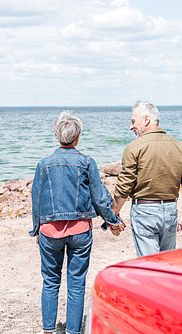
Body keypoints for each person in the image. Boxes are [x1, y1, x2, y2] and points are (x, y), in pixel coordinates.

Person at [30, 111, 124, 334]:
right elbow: (99, 197)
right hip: (80, 231)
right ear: (77, 137)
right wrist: (112, 220)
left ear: (57, 136)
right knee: (76, 282)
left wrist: (36, 230)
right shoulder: (86, 162)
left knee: (51, 281)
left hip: (50, 231)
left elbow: (37, 199)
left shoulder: (43, 164)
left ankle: (48, 330)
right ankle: (73, 331)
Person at [112, 101, 182, 257]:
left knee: (149, 266)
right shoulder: (180, 146)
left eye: (133, 121)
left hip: (144, 212)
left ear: (146, 120)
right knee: (166, 263)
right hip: (170, 211)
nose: (131, 127)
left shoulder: (134, 147)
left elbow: (124, 186)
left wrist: (113, 214)